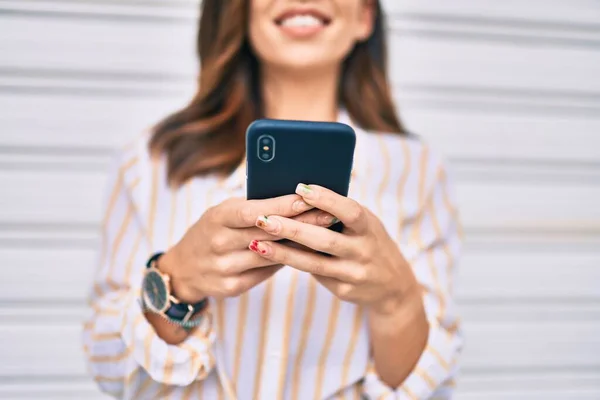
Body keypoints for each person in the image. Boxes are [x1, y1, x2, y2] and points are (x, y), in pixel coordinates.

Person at [82, 0, 463, 399]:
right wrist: (178, 278)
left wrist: (396, 297)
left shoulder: (417, 172)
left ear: (364, 17)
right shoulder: (149, 163)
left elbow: (433, 391)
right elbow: (109, 368)